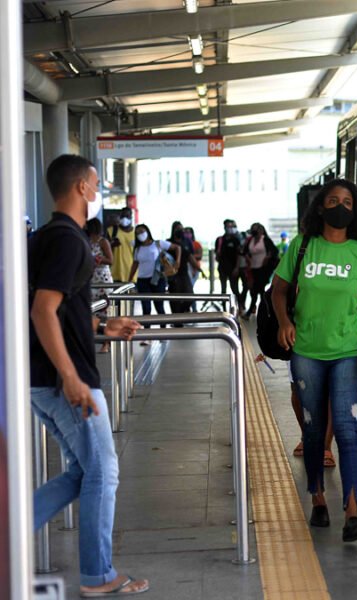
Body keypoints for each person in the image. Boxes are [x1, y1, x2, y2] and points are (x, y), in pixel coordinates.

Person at [28, 154, 149, 596]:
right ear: (80, 187)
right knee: (103, 473)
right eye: (95, 183)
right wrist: (71, 376)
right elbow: (42, 311)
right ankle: (99, 576)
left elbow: (57, 309)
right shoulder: (68, 241)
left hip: (47, 377)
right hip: (67, 379)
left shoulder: (46, 237)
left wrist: (101, 325)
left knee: (85, 472)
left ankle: (12, 532)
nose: (98, 191)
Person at [272, 178, 357, 541]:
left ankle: (352, 512)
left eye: (347, 202)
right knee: (314, 429)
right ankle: (318, 498)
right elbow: (279, 289)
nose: (340, 207)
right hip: (306, 351)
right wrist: (285, 322)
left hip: (349, 352)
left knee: (348, 430)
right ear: (320, 207)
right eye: (333, 200)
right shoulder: (303, 247)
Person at [128, 224, 180, 319]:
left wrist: (177, 262)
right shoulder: (137, 248)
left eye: (142, 231)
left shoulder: (158, 244)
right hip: (142, 281)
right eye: (137, 233)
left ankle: (162, 329)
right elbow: (135, 264)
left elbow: (177, 248)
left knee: (159, 307)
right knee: (146, 307)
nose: (140, 234)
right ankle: (147, 330)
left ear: (148, 231)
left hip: (157, 279)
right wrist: (130, 278)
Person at [86, 218, 114, 354]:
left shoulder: (103, 242)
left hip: (102, 279)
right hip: (90, 279)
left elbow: (111, 260)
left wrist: (99, 259)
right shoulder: (86, 241)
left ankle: (106, 342)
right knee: (91, 310)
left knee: (104, 312)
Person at [241, 223, 278, 315]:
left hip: (263, 268)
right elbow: (244, 251)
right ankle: (264, 310)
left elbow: (274, 251)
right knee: (256, 290)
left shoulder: (265, 240)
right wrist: (247, 257)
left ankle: (252, 311)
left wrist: (268, 257)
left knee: (258, 289)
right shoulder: (250, 240)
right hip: (253, 268)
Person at [167, 222, 198, 319]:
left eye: (181, 229)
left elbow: (190, 256)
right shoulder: (168, 242)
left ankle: (181, 313)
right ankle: (177, 320)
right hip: (173, 274)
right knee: (174, 298)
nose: (180, 231)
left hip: (184, 272)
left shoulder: (186, 241)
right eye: (177, 229)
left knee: (189, 296)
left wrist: (196, 268)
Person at [214, 219, 245, 313]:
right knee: (223, 288)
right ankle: (223, 309)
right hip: (222, 267)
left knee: (234, 288)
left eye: (231, 226)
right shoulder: (220, 240)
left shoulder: (236, 240)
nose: (230, 228)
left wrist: (237, 267)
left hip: (233, 268)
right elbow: (217, 255)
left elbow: (239, 254)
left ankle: (240, 306)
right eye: (228, 226)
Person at [106, 207, 136, 283]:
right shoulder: (111, 231)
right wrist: (111, 245)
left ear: (131, 217)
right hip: (115, 273)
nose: (124, 218)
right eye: (122, 216)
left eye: (127, 216)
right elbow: (103, 249)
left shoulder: (136, 233)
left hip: (132, 274)